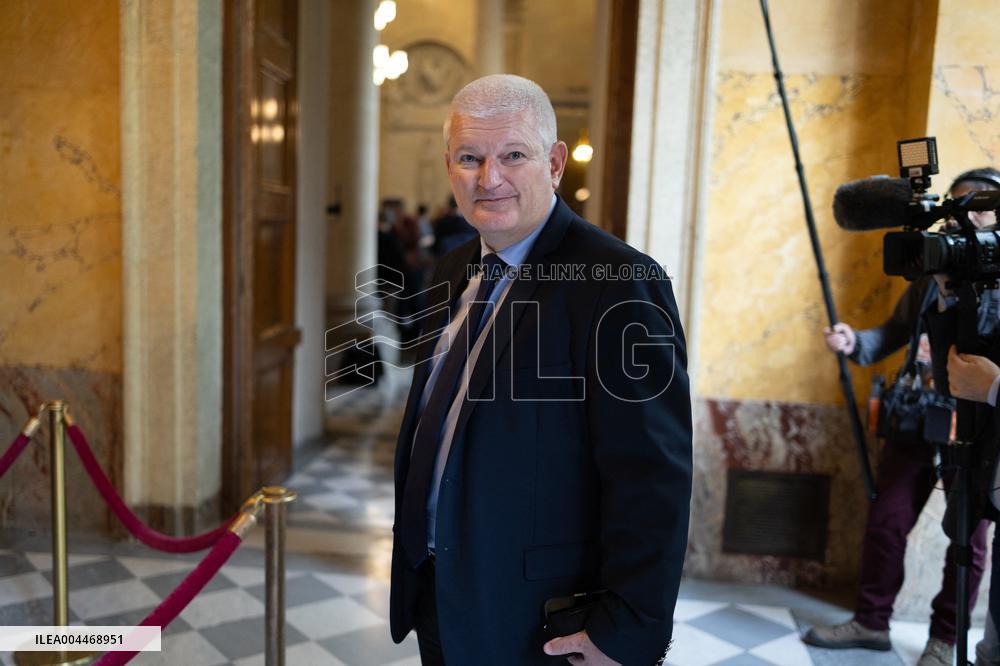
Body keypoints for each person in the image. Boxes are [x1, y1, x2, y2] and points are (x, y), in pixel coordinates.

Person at [388, 74, 693, 665]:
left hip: (542, 617)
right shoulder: (451, 267)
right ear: (448, 165)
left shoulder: (618, 281)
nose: (489, 178)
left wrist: (630, 627)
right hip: (439, 590)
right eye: (470, 158)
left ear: (554, 164)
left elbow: (652, 476)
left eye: (513, 155)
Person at [804, 167, 1000, 666]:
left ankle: (943, 639)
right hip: (918, 415)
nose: (963, 221)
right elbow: (891, 333)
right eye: (955, 209)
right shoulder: (932, 273)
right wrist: (855, 342)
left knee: (967, 538)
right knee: (887, 520)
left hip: (976, 423)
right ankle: (871, 623)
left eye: (978, 207)